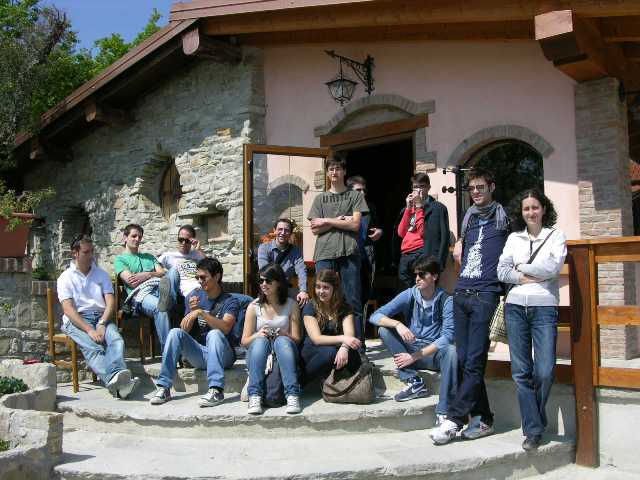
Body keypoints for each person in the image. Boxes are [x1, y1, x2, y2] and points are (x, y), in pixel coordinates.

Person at [430, 167, 509, 445]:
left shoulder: (505, 219)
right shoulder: (469, 218)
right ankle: (483, 418)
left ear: (491, 187)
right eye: (472, 188)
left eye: (480, 187)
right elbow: (461, 251)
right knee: (464, 361)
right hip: (462, 293)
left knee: (474, 360)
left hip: (486, 294)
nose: (475, 192)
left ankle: (453, 418)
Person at [497, 189, 567, 451]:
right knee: (521, 372)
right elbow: (501, 271)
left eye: (535, 207)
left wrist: (520, 267)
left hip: (544, 307)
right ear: (521, 212)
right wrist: (523, 276)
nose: (531, 212)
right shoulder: (514, 238)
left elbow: (553, 268)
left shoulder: (555, 236)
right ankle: (533, 429)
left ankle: (534, 421)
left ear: (544, 209)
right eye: (526, 208)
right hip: (515, 307)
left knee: (545, 371)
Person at [369, 256, 457, 425]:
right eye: (415, 274)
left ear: (434, 276)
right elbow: (375, 316)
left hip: (432, 353)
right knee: (384, 330)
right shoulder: (410, 294)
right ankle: (414, 381)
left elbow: (447, 337)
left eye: (422, 274)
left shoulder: (446, 300)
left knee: (451, 351)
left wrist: (414, 356)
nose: (417, 278)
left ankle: (444, 411)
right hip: (412, 348)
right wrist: (398, 324)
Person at [149, 257, 239, 407]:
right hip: (201, 354)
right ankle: (164, 387)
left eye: (203, 277)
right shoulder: (194, 296)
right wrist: (192, 312)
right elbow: (185, 330)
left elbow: (225, 328)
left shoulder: (230, 301)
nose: (200, 281)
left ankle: (216, 390)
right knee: (175, 333)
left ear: (217, 276)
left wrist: (201, 313)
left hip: (224, 355)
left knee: (214, 334)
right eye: (197, 278)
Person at [57, 235, 139, 398]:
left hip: (102, 317)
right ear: (75, 253)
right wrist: (89, 330)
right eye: (86, 252)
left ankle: (118, 384)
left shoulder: (101, 274)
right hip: (77, 320)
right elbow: (68, 310)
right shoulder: (65, 278)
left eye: (92, 251)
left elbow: (110, 302)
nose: (90, 256)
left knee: (116, 340)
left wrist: (102, 323)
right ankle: (119, 383)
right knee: (94, 348)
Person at [308, 155, 369, 342]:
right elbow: (315, 229)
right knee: (322, 299)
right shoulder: (320, 198)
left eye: (338, 168)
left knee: (352, 300)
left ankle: (358, 347)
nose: (334, 172)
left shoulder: (355, 196)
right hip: (324, 253)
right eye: (331, 169)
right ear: (327, 173)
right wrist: (340, 220)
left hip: (349, 252)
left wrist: (326, 220)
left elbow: (355, 225)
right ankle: (326, 342)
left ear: (344, 171)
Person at [241, 263, 302, 415]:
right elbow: (245, 341)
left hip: (283, 352)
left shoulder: (291, 305)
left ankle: (292, 395)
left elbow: (297, 339)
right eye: (261, 281)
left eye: (268, 281)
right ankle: (254, 395)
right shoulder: (254, 306)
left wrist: (284, 334)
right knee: (260, 341)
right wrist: (258, 334)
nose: (263, 284)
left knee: (282, 341)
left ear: (279, 282)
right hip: (260, 353)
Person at [300, 269, 362, 385]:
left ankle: (345, 381)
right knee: (330, 353)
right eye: (318, 287)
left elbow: (349, 334)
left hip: (336, 347)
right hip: (313, 349)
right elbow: (317, 339)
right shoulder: (310, 307)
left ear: (335, 289)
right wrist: (344, 339)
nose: (321, 291)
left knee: (353, 354)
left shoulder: (344, 307)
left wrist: (344, 347)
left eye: (326, 287)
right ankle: (300, 382)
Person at [114, 223, 170, 350]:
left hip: (159, 290)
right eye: (134, 236)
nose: (137, 239)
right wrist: (155, 275)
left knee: (173, 274)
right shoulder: (121, 260)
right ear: (125, 238)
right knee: (161, 308)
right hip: (140, 295)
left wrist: (147, 274)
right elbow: (132, 282)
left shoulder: (149, 257)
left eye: (139, 237)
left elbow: (163, 273)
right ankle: (169, 353)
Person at [395, 173, 450, 290]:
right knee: (405, 291)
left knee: (423, 290)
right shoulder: (408, 208)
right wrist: (408, 208)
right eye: (415, 187)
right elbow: (401, 233)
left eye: (422, 186)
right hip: (406, 254)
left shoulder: (437, 208)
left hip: (422, 253)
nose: (418, 190)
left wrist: (419, 206)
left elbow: (427, 234)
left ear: (428, 188)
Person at [347, 175, 383, 324]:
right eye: (358, 190)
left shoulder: (370, 207)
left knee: (363, 296)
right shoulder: (343, 208)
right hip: (347, 258)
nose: (362, 193)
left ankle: (359, 333)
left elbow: (378, 226)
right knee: (347, 297)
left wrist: (380, 232)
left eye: (364, 190)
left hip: (365, 258)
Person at [257, 218, 309, 306]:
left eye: (286, 230)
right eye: (280, 229)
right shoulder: (264, 248)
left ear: (291, 233)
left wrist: (303, 291)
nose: (283, 233)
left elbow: (301, 271)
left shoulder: (296, 251)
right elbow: (265, 272)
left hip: (286, 289)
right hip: (268, 288)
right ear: (274, 230)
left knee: (305, 303)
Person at [157, 224, 205, 313]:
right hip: (187, 290)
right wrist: (162, 274)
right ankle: (169, 300)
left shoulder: (197, 254)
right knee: (173, 271)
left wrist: (199, 249)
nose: (183, 243)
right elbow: (155, 267)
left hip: (202, 287)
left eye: (187, 241)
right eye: (181, 239)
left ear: (192, 241)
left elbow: (210, 268)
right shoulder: (168, 255)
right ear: (177, 239)